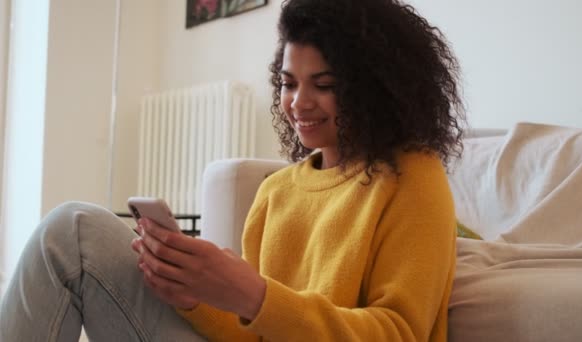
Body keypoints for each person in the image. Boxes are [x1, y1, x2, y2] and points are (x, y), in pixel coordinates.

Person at [0, 0, 465, 340]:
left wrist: (254, 293)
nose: (298, 103)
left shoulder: (411, 176)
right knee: (71, 231)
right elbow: (248, 332)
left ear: (377, 89)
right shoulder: (278, 190)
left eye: (323, 85)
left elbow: (400, 332)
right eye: (287, 83)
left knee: (73, 229)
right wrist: (193, 293)